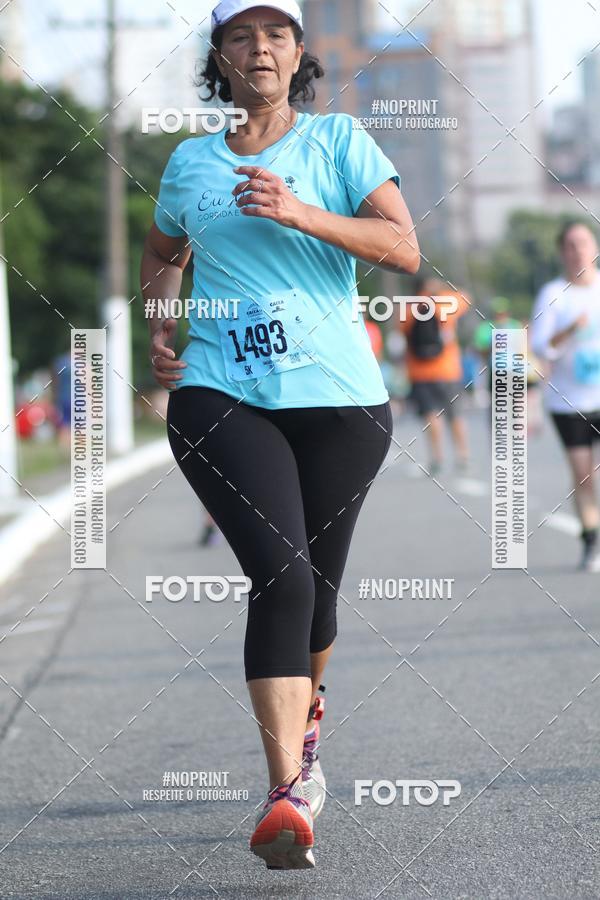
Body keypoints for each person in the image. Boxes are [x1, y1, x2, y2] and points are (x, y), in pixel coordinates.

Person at [140, 0, 420, 870]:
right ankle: (286, 792)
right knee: (283, 579)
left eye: (275, 34)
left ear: (298, 54)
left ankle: (308, 720)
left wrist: (300, 212)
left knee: (318, 600)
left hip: (339, 402)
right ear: (219, 58)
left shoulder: (338, 144)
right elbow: (163, 253)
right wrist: (159, 321)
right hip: (219, 392)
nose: (258, 48)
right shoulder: (189, 163)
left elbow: (403, 248)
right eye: (240, 35)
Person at [530, 221, 600, 572]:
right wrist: (570, 330)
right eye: (570, 245)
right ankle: (591, 541)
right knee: (583, 474)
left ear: (595, 247)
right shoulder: (554, 294)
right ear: (562, 252)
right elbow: (540, 345)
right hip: (568, 402)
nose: (578, 251)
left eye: (583, 243)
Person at [399, 276, 470, 475]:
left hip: (420, 373)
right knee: (455, 415)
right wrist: (441, 288)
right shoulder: (444, 304)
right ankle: (462, 455)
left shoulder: (407, 310)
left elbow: (403, 335)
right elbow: (465, 297)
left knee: (431, 415)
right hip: (448, 371)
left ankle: (437, 458)